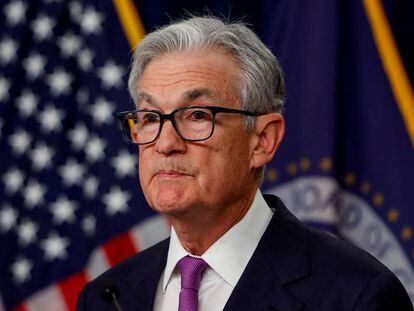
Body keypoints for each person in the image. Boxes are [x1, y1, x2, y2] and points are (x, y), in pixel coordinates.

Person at [77, 16, 413, 311]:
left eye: (197, 115)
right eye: (150, 117)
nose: (165, 143)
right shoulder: (105, 297)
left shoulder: (356, 295)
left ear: (263, 140)